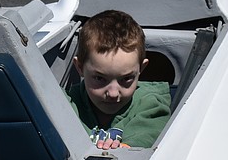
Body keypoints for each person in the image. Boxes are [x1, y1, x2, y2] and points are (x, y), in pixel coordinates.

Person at [66, 9, 171, 149]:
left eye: (126, 79)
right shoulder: (66, 104)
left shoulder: (152, 107)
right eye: (99, 78)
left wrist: (126, 148)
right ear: (79, 67)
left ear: (141, 69)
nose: (113, 93)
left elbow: (146, 137)